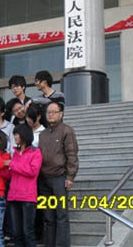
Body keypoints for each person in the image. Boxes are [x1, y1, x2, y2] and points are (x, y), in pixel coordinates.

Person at [37, 103, 79, 247]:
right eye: (48, 112)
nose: (50, 115)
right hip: (44, 180)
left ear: (61, 114)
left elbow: (72, 154)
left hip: (59, 178)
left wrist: (70, 177)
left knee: (61, 215)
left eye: (54, 112)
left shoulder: (67, 131)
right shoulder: (43, 134)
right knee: (48, 216)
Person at [7, 124, 42, 247]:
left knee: (28, 232)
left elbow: (33, 171)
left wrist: (12, 164)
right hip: (13, 196)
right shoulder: (15, 152)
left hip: (28, 197)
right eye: (15, 134)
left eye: (17, 134)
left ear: (25, 135)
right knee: (16, 234)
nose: (15, 137)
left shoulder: (35, 152)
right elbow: (12, 173)